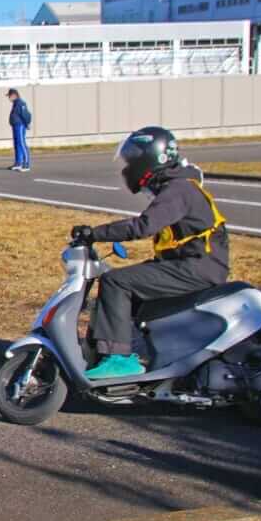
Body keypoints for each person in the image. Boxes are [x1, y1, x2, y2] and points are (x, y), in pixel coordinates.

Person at [71, 126, 229, 380]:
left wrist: (95, 233)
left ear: (151, 158)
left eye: (133, 158)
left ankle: (119, 359)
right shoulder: (178, 187)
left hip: (197, 267)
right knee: (129, 290)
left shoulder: (179, 190)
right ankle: (122, 354)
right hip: (195, 264)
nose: (128, 166)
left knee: (116, 282)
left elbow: (143, 226)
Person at [7, 88, 31, 172]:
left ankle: (26, 164)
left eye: (9, 96)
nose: (8, 98)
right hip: (15, 125)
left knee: (22, 143)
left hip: (20, 125)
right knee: (17, 144)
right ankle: (18, 163)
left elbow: (25, 115)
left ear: (14, 95)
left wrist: (27, 123)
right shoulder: (15, 103)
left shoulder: (21, 103)